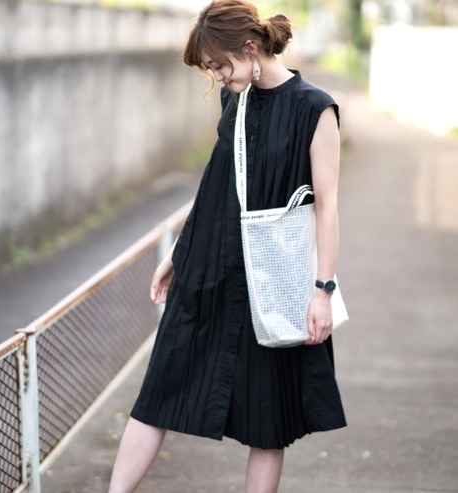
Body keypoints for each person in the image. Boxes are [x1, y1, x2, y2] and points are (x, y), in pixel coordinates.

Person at [108, 1, 346, 492]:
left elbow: (327, 206)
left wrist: (322, 289)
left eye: (219, 65)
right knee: (159, 391)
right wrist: (179, 254)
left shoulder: (315, 109)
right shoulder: (234, 101)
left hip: (274, 279)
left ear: (251, 47)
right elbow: (217, 184)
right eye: (211, 69)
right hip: (210, 265)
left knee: (269, 418)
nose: (217, 76)